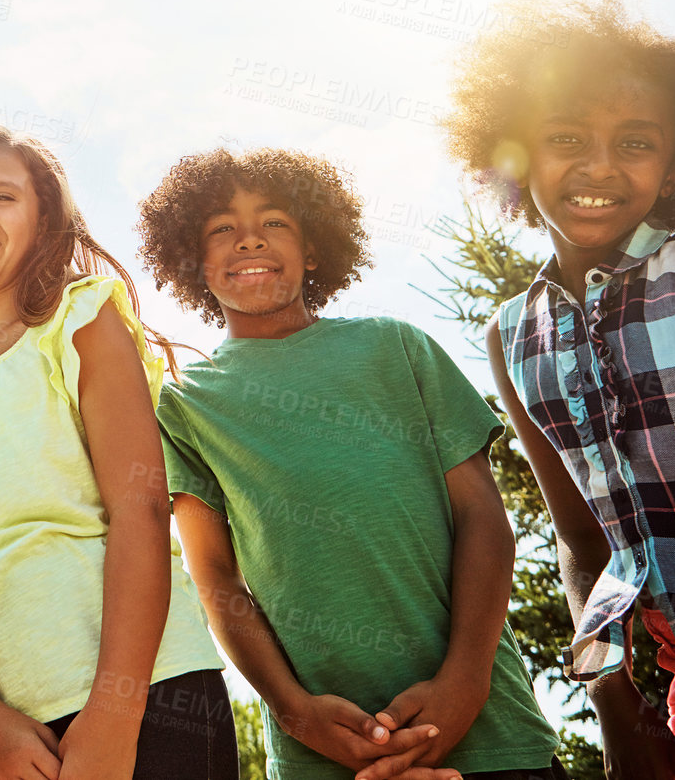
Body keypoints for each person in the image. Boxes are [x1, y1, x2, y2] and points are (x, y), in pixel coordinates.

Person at [139, 147, 560, 780]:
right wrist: (293, 712)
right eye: (221, 228)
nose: (249, 239)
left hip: (490, 729)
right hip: (325, 754)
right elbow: (217, 579)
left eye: (275, 221)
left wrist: (465, 685)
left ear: (314, 249)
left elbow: (482, 518)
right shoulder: (187, 405)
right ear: (192, 262)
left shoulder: (397, 346)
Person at [0, 125, 233, 780]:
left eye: (3, 197)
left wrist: (112, 718)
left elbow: (140, 511)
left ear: (45, 218)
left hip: (152, 698)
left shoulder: (82, 320)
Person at [444, 0, 675, 779]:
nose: (600, 165)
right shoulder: (511, 336)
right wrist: (614, 707)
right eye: (567, 138)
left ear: (673, 167)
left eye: (635, 141)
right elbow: (581, 541)